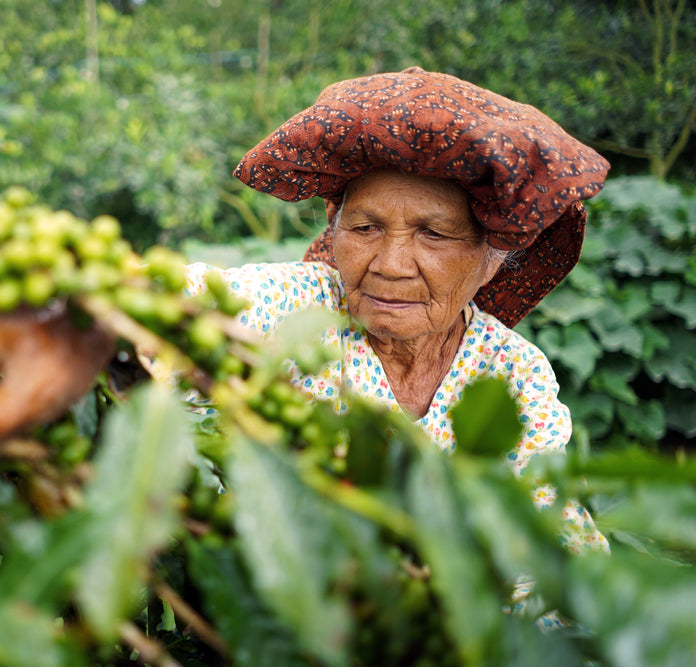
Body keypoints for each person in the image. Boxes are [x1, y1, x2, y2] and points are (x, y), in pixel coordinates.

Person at [157, 68, 611, 559]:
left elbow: (550, 550)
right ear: (334, 230)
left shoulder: (513, 375)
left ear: (492, 258)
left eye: (433, 234)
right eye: (366, 227)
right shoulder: (301, 309)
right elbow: (188, 298)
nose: (390, 266)